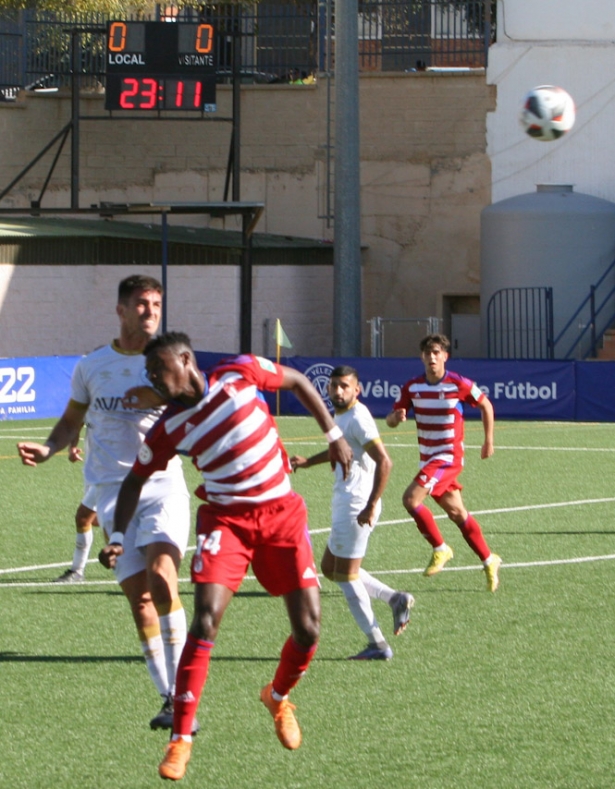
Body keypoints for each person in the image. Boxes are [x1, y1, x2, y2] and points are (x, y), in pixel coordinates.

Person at [99, 332, 353, 782]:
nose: (153, 378)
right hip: (227, 524)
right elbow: (134, 482)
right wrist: (118, 534)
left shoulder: (239, 374)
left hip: (282, 516)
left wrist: (333, 434)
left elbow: (296, 380)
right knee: (206, 619)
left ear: (185, 360)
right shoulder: (168, 429)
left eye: (159, 369)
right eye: (149, 373)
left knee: (310, 629)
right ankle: (180, 739)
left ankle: (277, 697)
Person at [17, 275, 192, 730]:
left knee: (162, 578)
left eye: (156, 303)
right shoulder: (92, 365)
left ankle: (187, 691)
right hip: (114, 494)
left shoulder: (171, 361)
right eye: (141, 304)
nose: (150, 311)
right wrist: (49, 447)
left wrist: (162, 394)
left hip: (162, 485)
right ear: (120, 310)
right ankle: (169, 698)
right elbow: (71, 419)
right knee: (140, 602)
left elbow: (200, 399)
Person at [290, 365, 414, 660]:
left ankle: (378, 644)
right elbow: (342, 450)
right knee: (330, 568)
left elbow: (385, 462)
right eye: (334, 386)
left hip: (357, 505)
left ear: (357, 389)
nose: (338, 391)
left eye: (345, 386)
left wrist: (370, 505)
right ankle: (395, 598)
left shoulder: (358, 418)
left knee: (346, 575)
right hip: (346, 501)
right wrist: (308, 461)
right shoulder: (341, 414)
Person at [386, 333, 502, 592]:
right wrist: (396, 417)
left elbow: (486, 406)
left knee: (410, 500)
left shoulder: (458, 383)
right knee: (457, 513)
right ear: (422, 357)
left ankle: (441, 548)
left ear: (445, 357)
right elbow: (391, 420)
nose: (432, 357)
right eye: (428, 353)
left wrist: (488, 441)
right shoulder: (412, 387)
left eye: (437, 353)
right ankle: (489, 558)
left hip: (448, 457)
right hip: (429, 458)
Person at [53, 432, 99, 584]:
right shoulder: (89, 407)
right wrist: (73, 446)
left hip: (112, 471)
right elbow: (76, 422)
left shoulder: (123, 409)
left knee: (84, 518)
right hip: (93, 468)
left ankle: (77, 571)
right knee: (96, 519)